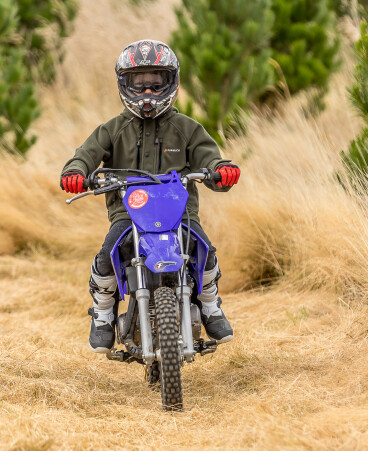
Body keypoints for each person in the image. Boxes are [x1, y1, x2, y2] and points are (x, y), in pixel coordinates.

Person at [60, 40, 241, 353]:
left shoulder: (187, 128)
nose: (147, 92)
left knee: (204, 249)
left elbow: (209, 156)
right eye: (139, 84)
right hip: (129, 214)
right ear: (124, 84)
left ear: (172, 82)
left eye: (156, 83)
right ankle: (103, 311)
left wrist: (220, 169)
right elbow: (84, 156)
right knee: (109, 253)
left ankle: (210, 303)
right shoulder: (111, 129)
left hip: (179, 213)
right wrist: (76, 173)